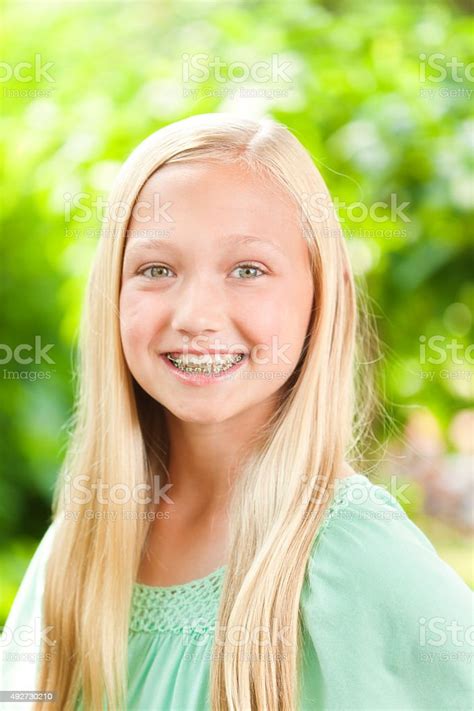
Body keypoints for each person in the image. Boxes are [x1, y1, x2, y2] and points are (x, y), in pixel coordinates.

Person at [1, 113, 472, 711]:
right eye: (156, 269)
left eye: (248, 270)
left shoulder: (350, 552)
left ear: (320, 296)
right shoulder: (81, 545)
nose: (195, 314)